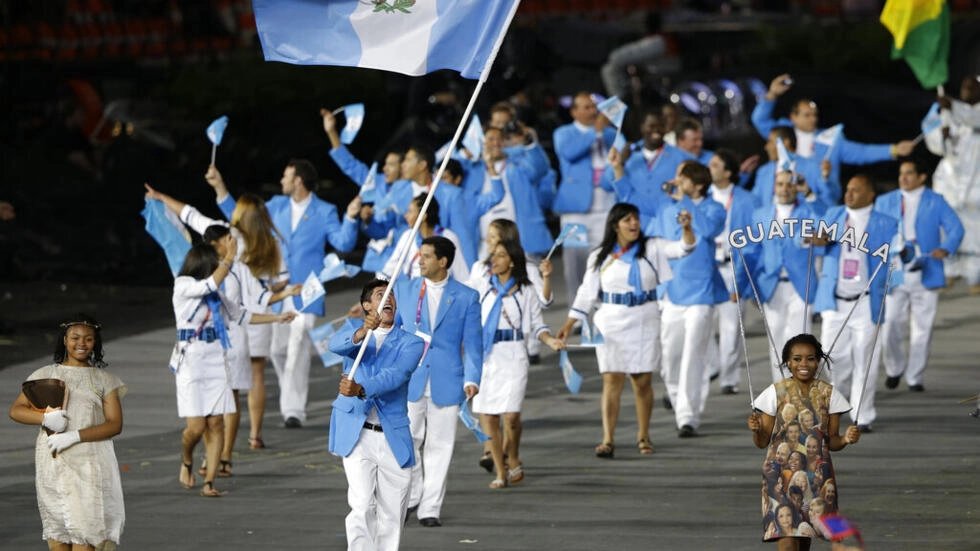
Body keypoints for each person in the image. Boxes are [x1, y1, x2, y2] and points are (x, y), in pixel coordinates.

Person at [144, 183, 299, 457]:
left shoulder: (234, 252)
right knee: (229, 396)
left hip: (231, 334)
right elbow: (270, 287)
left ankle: (221, 458)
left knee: (224, 403)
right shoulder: (263, 244)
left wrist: (163, 196)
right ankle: (231, 449)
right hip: (209, 340)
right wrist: (283, 295)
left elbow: (190, 215)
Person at [206, 159, 359, 428]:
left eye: (286, 176)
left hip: (307, 291)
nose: (282, 181)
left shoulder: (324, 211)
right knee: (277, 351)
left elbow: (343, 242)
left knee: (298, 347)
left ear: (298, 180)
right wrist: (220, 187)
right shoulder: (276, 206)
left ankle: (293, 410)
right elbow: (243, 220)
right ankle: (291, 401)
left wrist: (351, 216)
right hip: (276, 290)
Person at [557, 202, 695, 455]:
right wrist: (568, 324)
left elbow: (684, 248)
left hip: (644, 318)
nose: (633, 224)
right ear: (615, 225)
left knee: (642, 381)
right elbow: (586, 294)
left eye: (635, 219)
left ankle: (644, 436)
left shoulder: (652, 248)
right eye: (627, 220)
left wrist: (687, 229)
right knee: (612, 380)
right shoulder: (600, 255)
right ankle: (607, 439)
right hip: (610, 321)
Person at [171, 241, 294, 497]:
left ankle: (209, 483)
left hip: (216, 360)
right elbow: (210, 284)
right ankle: (186, 460)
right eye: (214, 264)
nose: (219, 268)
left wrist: (277, 317)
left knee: (216, 422)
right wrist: (229, 257)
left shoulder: (217, 298)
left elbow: (242, 315)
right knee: (195, 428)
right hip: (191, 363)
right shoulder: (183, 285)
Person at [9, 315, 125, 550]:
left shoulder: (104, 380)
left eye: (88, 339)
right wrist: (43, 418)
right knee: (58, 538)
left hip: (89, 465)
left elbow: (115, 424)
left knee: (86, 536)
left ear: (96, 343)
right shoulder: (44, 374)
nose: (81, 344)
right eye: (75, 338)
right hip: (53, 464)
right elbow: (16, 410)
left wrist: (75, 436)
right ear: (64, 340)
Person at [328, 279, 425, 551]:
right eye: (381, 295)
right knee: (360, 505)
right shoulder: (354, 334)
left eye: (392, 294)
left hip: (392, 434)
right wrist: (361, 332)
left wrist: (361, 388)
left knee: (391, 514)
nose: (389, 299)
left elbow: (397, 375)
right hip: (357, 434)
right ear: (367, 305)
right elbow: (334, 345)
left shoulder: (412, 343)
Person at [393, 236, 481, 527]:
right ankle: (415, 493)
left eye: (427, 256)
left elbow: (473, 344)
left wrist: (472, 379)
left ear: (442, 261)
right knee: (407, 440)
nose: (421, 260)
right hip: (411, 377)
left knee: (440, 445)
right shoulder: (403, 289)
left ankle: (430, 508)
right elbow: (393, 333)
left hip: (448, 378)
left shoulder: (467, 296)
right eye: (421, 255)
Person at [748, 333, 862, 550]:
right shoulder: (775, 392)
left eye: (810, 358)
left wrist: (846, 439)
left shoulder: (829, 394)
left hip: (816, 477)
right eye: (797, 359)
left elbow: (832, 442)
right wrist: (756, 430)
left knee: (803, 537)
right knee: (787, 538)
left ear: (818, 361)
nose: (803, 364)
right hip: (779, 476)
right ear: (788, 363)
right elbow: (762, 442)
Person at [473, 239, 564, 488]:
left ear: (512, 261)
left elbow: (537, 325)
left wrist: (550, 341)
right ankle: (501, 472)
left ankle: (512, 455)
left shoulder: (526, 291)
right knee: (489, 415)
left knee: (511, 416)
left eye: (500, 255)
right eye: (493, 255)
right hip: (486, 356)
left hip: (514, 355)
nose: (494, 259)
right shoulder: (481, 288)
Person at [812, 175, 897, 432]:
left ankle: (863, 415)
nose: (849, 194)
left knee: (865, 359)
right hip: (835, 302)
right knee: (832, 357)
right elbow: (810, 240)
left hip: (866, 302)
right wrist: (817, 239)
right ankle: (842, 395)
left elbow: (901, 255)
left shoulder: (887, 223)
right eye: (847, 189)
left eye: (856, 190)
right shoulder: (833, 214)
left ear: (870, 195)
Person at [651, 162, 727, 437]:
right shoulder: (668, 207)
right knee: (670, 356)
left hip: (701, 293)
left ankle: (688, 415)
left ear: (696, 184)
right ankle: (675, 396)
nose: (676, 182)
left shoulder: (713, 208)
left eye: (682, 179)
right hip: (672, 292)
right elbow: (655, 238)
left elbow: (706, 230)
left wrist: (686, 202)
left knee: (694, 354)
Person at [875, 160, 964, 392]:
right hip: (895, 271)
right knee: (891, 323)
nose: (903, 177)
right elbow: (874, 232)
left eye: (909, 173)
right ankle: (894, 368)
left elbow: (956, 228)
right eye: (901, 173)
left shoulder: (936, 200)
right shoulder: (885, 201)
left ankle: (915, 376)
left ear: (921, 176)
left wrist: (946, 247)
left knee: (922, 327)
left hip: (927, 267)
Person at [750, 73, 915, 187]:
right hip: (789, 201)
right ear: (793, 117)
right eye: (807, 115)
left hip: (821, 203)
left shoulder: (829, 139)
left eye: (815, 115)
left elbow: (862, 152)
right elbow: (759, 120)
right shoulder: (782, 132)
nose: (813, 119)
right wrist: (772, 94)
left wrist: (893, 149)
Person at [742, 170, 824, 382]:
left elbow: (825, 221)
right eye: (780, 184)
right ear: (774, 187)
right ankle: (782, 392)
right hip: (771, 285)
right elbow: (753, 251)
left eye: (789, 184)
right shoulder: (760, 214)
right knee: (776, 340)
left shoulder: (807, 210)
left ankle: (801, 391)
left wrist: (809, 193)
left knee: (800, 342)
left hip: (801, 285)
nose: (784, 189)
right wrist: (747, 286)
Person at [552, 91, 619, 307]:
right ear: (574, 111)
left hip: (606, 207)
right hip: (575, 212)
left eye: (594, 107)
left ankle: (602, 307)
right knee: (575, 264)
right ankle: (577, 311)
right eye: (587, 107)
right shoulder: (564, 133)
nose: (593, 111)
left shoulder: (609, 134)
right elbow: (569, 153)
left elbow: (620, 155)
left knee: (605, 260)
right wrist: (595, 132)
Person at [322, 108, 405, 274]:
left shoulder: (413, 188)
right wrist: (332, 132)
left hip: (405, 257)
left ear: (404, 166)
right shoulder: (378, 182)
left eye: (391, 164)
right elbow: (350, 165)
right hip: (380, 259)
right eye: (385, 163)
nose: (385, 168)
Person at [705, 149, 760, 394]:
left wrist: (744, 277)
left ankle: (728, 379)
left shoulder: (747, 200)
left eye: (715, 164)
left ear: (728, 172)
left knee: (731, 327)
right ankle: (712, 365)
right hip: (706, 268)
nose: (710, 167)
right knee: (700, 321)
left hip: (731, 267)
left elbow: (753, 240)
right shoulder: (701, 196)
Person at [460, 126, 552, 260]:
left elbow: (541, 168)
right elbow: (448, 170)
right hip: (484, 243)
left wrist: (529, 144)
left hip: (521, 240)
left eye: (500, 139)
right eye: (491, 139)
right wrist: (465, 153)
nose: (496, 143)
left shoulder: (519, 165)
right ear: (481, 142)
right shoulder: (472, 170)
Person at [928, 75, 980, 293]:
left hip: (975, 181)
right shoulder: (949, 114)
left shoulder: (969, 112)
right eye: (964, 86)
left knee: (974, 229)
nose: (966, 89)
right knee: (947, 226)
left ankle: (974, 276)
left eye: (972, 86)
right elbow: (934, 144)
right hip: (950, 180)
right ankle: (949, 271)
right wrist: (942, 135)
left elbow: (973, 118)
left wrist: (953, 106)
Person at [603, 109, 691, 230]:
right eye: (651, 126)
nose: (656, 130)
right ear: (642, 127)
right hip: (631, 225)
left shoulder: (680, 157)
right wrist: (621, 162)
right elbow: (606, 185)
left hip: (666, 225)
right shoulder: (627, 153)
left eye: (660, 126)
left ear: (666, 128)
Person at [381, 195, 469, 283]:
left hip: (440, 291)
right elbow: (390, 268)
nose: (406, 216)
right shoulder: (407, 236)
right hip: (414, 291)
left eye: (410, 212)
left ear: (423, 216)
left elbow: (461, 273)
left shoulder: (448, 237)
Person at [752, 126, 838, 208]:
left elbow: (830, 202)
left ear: (785, 142)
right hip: (770, 222)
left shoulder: (813, 167)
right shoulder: (763, 171)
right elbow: (755, 203)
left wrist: (826, 179)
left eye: (770, 141)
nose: (766, 147)